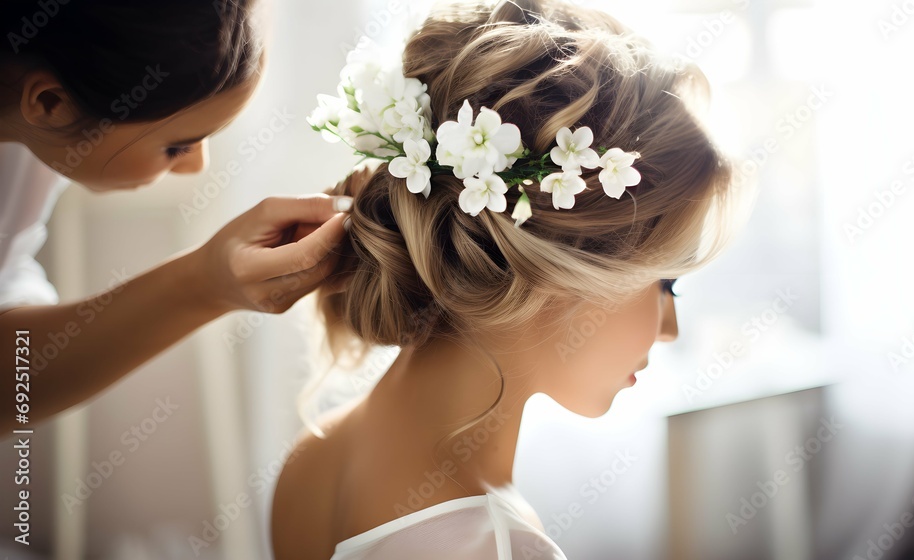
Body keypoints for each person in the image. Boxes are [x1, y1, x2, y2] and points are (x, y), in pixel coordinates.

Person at [271, 0, 749, 558]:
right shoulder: (492, 547)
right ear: (561, 267)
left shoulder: (315, 456)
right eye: (665, 283)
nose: (669, 329)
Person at [0, 0, 352, 432]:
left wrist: (209, 279)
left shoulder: (38, 125)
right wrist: (204, 285)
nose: (195, 165)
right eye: (177, 146)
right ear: (51, 103)